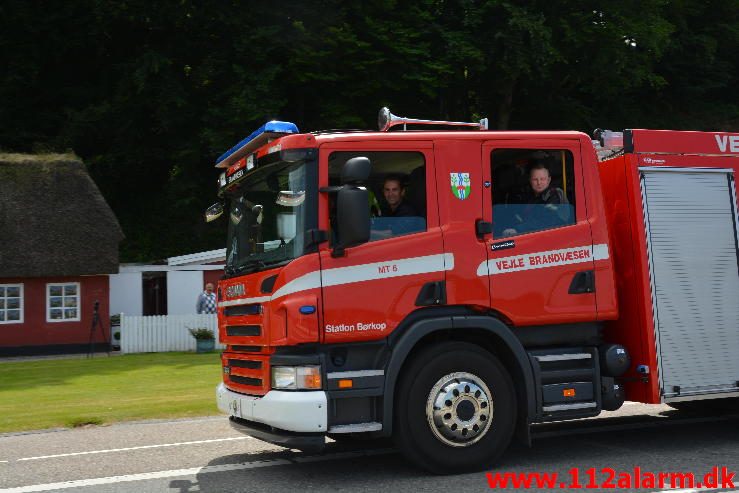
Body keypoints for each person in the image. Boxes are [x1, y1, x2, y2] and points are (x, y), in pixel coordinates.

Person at [502, 163, 569, 236]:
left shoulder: (554, 195)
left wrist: (518, 229)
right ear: (530, 180)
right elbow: (520, 216)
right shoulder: (529, 197)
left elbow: (546, 221)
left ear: (549, 180)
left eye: (542, 179)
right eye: (535, 179)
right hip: (531, 235)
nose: (539, 183)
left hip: (554, 237)